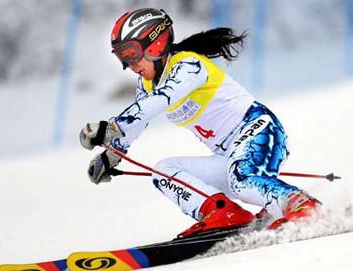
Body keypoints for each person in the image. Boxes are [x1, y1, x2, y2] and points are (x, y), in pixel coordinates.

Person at [79, 8, 321, 237]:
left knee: (242, 179)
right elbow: (140, 118)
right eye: (122, 57)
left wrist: (109, 128)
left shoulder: (188, 66)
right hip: (229, 155)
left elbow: (162, 100)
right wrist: (112, 153)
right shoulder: (146, 84)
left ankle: (303, 206)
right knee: (164, 171)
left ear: (156, 44)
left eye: (131, 54)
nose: (129, 65)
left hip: (259, 130)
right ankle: (224, 214)